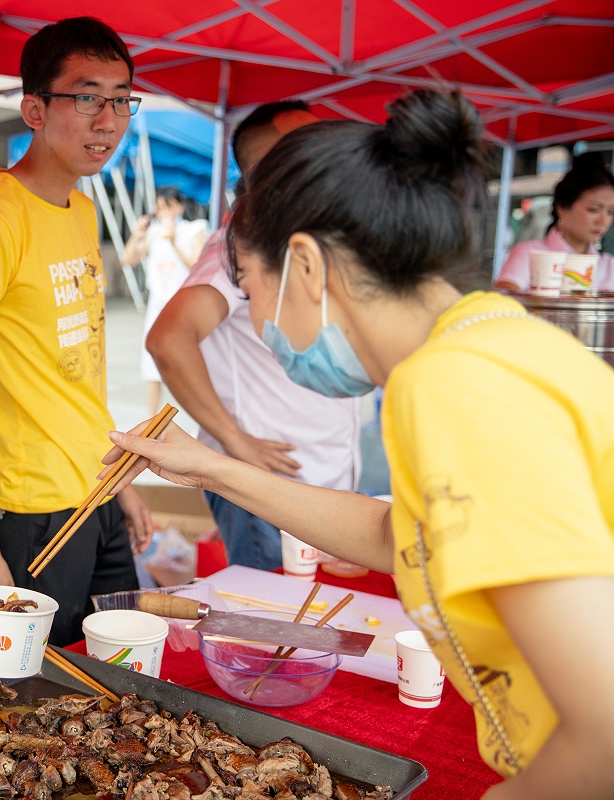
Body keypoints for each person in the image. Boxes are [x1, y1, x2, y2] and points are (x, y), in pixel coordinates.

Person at [103, 89, 614, 798]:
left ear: (306, 266)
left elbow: (605, 729)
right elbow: (393, 531)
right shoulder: (479, 339)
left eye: (250, 289)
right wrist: (214, 468)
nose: (254, 315)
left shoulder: (457, 387)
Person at [0, 16, 153, 648]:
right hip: (30, 513)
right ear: (34, 108)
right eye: (86, 97)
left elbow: (72, 368)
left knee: (119, 677)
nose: (106, 119)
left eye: (120, 100)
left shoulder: (83, 210)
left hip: (95, 496)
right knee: (31, 706)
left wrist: (115, 487)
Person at [146, 100, 360, 571]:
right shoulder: (242, 237)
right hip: (267, 485)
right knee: (273, 623)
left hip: (324, 480)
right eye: (303, 150)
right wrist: (235, 441)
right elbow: (168, 337)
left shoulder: (318, 231)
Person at [122, 187, 209, 415]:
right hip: (157, 307)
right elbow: (128, 259)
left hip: (183, 308)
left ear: (180, 207)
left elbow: (197, 266)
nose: (165, 212)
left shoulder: (194, 229)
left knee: (187, 366)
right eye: (160, 207)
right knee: (151, 366)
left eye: (169, 206)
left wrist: (174, 242)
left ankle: (197, 419)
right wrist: (137, 234)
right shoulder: (153, 234)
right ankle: (151, 422)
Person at [494, 152, 614, 292]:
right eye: (593, 209)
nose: (603, 220)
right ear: (562, 207)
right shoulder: (530, 254)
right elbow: (502, 300)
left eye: (611, 212)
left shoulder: (608, 265)